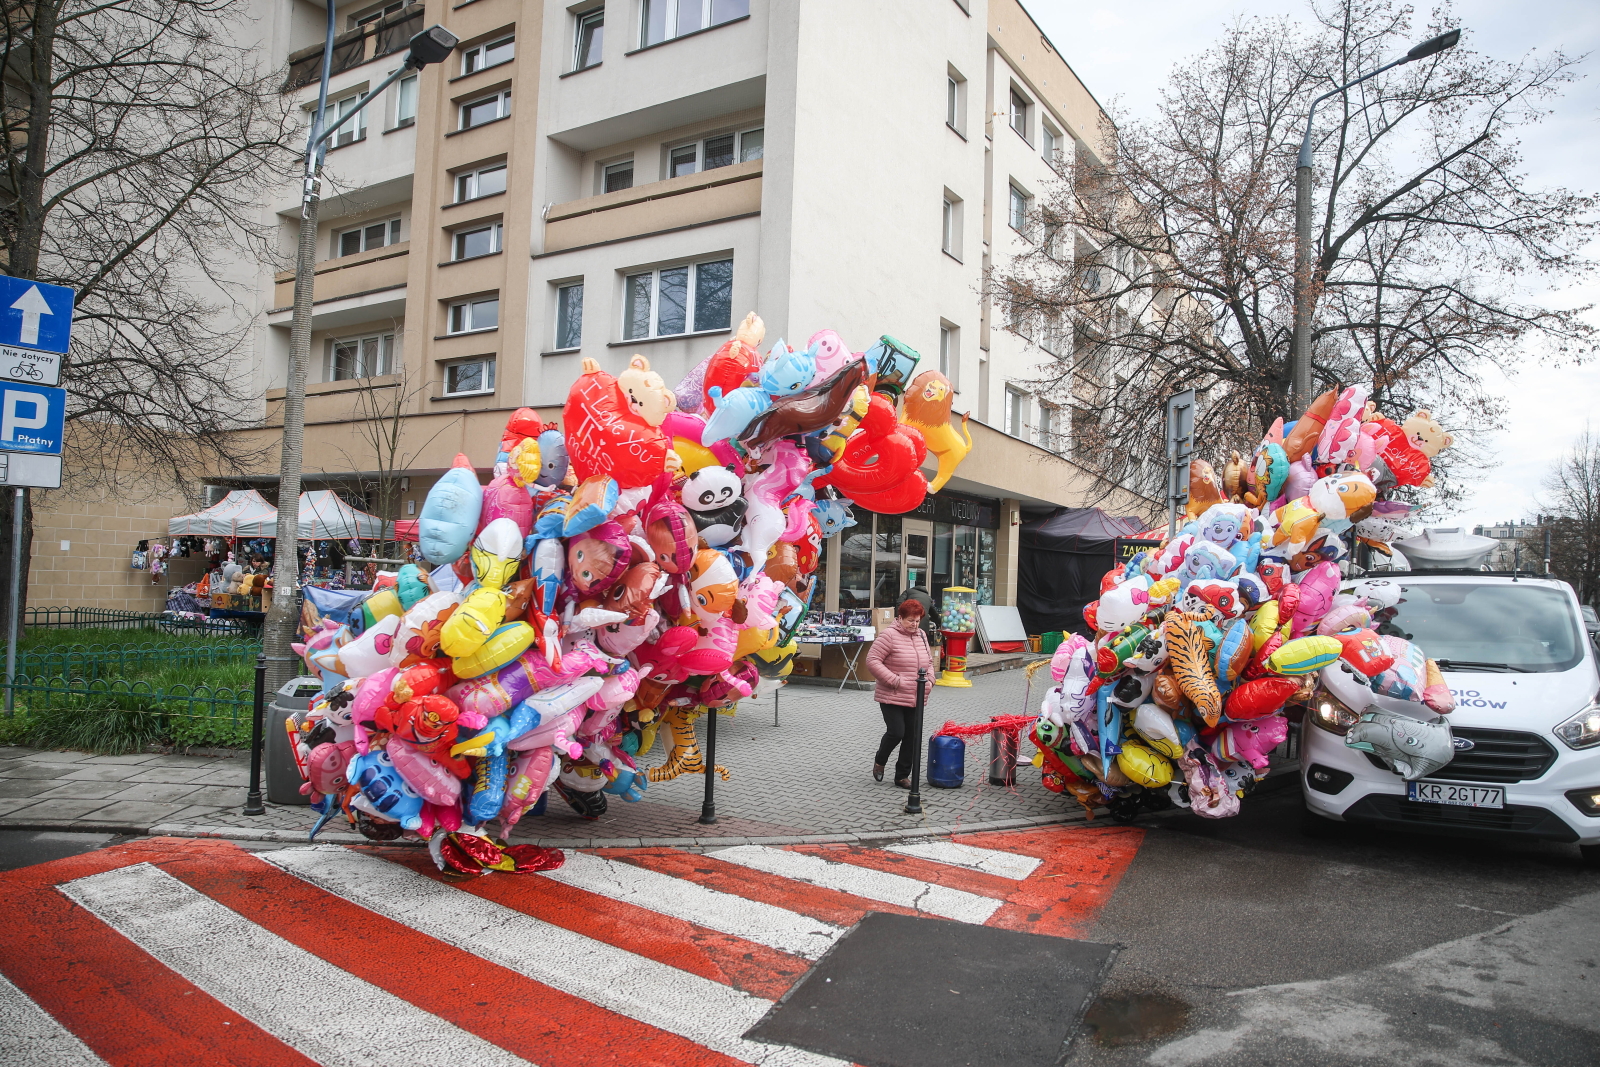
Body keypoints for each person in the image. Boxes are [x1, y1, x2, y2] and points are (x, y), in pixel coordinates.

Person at [865, 598, 935, 788]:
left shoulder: (921, 635)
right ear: (900, 618)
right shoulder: (889, 636)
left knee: (912, 736)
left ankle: (902, 776)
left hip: (916, 694)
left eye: (917, 620)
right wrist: (894, 680)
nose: (914, 624)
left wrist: (929, 681)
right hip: (892, 694)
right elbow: (872, 660)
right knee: (897, 732)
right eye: (910, 620)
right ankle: (880, 761)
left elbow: (929, 662)